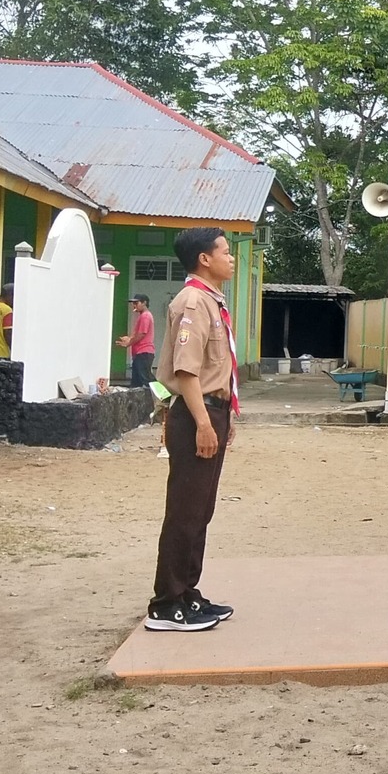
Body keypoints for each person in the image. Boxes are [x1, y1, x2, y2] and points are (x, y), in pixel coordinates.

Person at [148, 228, 240, 632]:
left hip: (212, 411)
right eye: (225, 252)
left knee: (200, 511)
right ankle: (166, 604)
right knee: (185, 512)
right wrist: (203, 423)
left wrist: (224, 417)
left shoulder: (211, 301)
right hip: (194, 414)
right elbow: (186, 372)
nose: (231, 258)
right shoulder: (193, 302)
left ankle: (187, 593)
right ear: (204, 259)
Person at [118, 293, 157, 391]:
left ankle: (163, 396)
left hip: (143, 352)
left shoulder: (145, 316)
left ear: (144, 303)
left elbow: (141, 334)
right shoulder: (143, 316)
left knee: (147, 380)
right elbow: (138, 334)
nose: (134, 305)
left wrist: (129, 342)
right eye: (133, 303)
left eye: (136, 303)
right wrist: (129, 338)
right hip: (140, 353)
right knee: (136, 382)